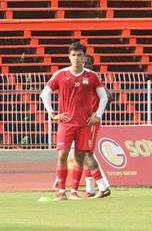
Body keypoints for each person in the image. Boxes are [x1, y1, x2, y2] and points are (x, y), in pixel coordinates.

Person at [40, 42, 108, 200]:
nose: (76, 58)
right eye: (73, 55)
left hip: (84, 123)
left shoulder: (91, 76)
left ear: (84, 57)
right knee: (62, 155)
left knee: (79, 157)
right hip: (66, 123)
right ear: (69, 57)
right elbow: (45, 93)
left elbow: (103, 96)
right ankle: (61, 192)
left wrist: (98, 114)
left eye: (79, 55)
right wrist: (52, 113)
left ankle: (74, 192)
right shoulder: (61, 74)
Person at [80, 53, 112, 198]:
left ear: (92, 66)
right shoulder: (82, 79)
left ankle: (102, 187)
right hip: (82, 121)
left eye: (88, 63)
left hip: (91, 121)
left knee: (87, 153)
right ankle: (90, 189)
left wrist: (97, 113)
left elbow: (109, 96)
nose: (85, 65)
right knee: (84, 154)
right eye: (83, 63)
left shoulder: (92, 79)